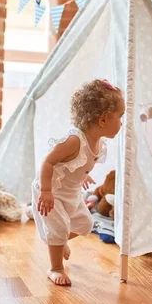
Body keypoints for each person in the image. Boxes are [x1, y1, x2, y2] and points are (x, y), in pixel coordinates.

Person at [31, 79, 125, 286]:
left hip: (71, 191)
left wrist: (83, 175)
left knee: (86, 223)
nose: (121, 122)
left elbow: (77, 164)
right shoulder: (74, 141)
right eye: (120, 117)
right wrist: (46, 191)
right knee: (57, 228)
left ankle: (59, 241)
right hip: (52, 192)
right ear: (103, 120)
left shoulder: (98, 143)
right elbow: (48, 162)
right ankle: (55, 267)